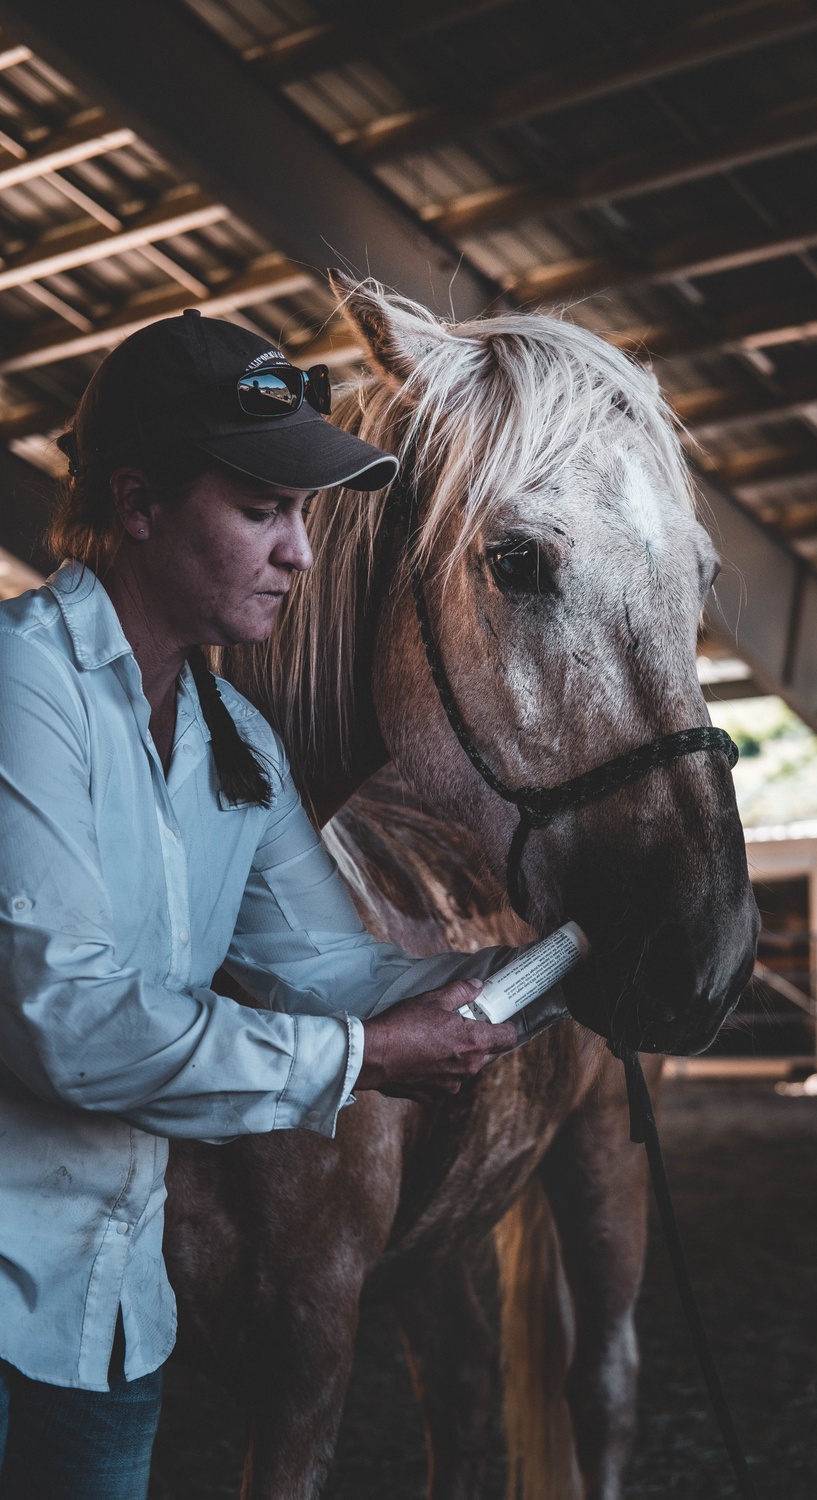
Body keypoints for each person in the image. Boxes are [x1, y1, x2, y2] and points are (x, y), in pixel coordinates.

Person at [0, 310, 530, 1499]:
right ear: (136, 505)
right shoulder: (19, 681)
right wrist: (369, 1052)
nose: (299, 552)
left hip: (105, 1312)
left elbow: (327, 965)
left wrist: (475, 986)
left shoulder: (232, 736)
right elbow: (72, 1026)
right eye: (260, 511)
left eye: (301, 515)